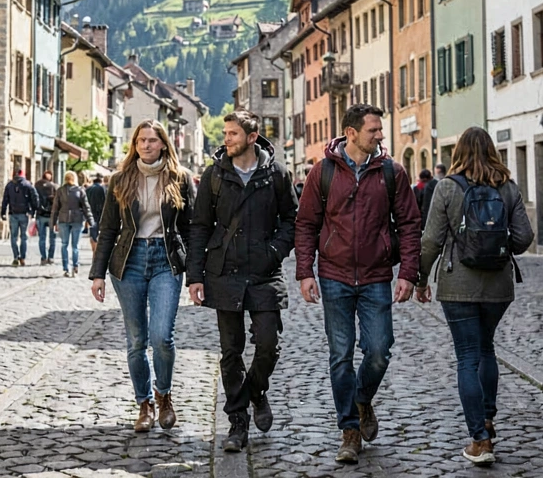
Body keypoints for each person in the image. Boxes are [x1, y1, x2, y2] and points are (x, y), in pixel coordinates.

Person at [295, 104, 421, 465]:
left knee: (380, 350)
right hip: (333, 276)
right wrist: (306, 271)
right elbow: (305, 225)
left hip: (376, 276)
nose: (380, 135)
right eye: (373, 130)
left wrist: (409, 273)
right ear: (351, 133)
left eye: (380, 129)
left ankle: (362, 398)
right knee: (340, 356)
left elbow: (410, 225)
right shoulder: (323, 173)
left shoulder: (391, 173)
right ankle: (349, 430)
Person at [415, 127, 534, 465]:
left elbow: (431, 241)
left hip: (457, 284)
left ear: (459, 153)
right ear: (492, 151)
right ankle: (488, 419)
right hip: (498, 286)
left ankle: (479, 441)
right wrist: (497, 247)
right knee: (486, 349)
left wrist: (421, 279)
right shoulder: (507, 187)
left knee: (467, 357)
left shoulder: (447, 188)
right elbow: (525, 237)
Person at [188, 110, 298, 452]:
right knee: (231, 351)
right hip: (225, 272)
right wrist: (195, 276)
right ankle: (238, 422)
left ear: (252, 138)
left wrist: (274, 251)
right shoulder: (214, 175)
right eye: (225, 133)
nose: (227, 139)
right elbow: (199, 227)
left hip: (265, 274)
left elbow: (292, 221)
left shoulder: (276, 174)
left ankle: (255, 391)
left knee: (268, 344)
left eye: (233, 134)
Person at [89, 120, 195, 433]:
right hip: (129, 261)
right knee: (137, 341)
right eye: (141, 140)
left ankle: (164, 395)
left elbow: (191, 228)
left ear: (164, 143)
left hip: (166, 260)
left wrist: (195, 273)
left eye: (152, 140)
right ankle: (144, 404)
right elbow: (108, 228)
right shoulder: (121, 179)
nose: (146, 145)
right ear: (134, 144)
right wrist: (97, 274)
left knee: (162, 337)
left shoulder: (180, 178)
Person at [52, 171, 93, 277]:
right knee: (75, 246)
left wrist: (53, 222)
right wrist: (90, 220)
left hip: (63, 219)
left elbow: (55, 208)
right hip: (77, 220)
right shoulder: (80, 191)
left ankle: (66, 268)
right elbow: (86, 207)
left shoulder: (60, 191)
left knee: (64, 245)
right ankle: (75, 267)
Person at [0, 170, 40, 267]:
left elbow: (5, 200)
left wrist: (3, 213)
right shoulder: (28, 185)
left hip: (13, 213)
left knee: (13, 237)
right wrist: (33, 211)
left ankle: (15, 257)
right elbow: (35, 198)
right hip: (24, 213)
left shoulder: (9, 185)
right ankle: (22, 257)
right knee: (23, 237)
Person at [35, 171, 57, 265]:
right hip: (51, 215)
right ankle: (50, 257)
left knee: (42, 238)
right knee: (52, 238)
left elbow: (34, 199)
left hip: (40, 214)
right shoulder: (54, 186)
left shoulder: (37, 185)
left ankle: (43, 258)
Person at [86, 175, 108, 258]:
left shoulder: (88, 189)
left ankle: (94, 251)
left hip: (91, 214)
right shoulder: (103, 188)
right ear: (100, 181)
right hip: (102, 214)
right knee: (102, 234)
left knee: (93, 234)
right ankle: (99, 252)